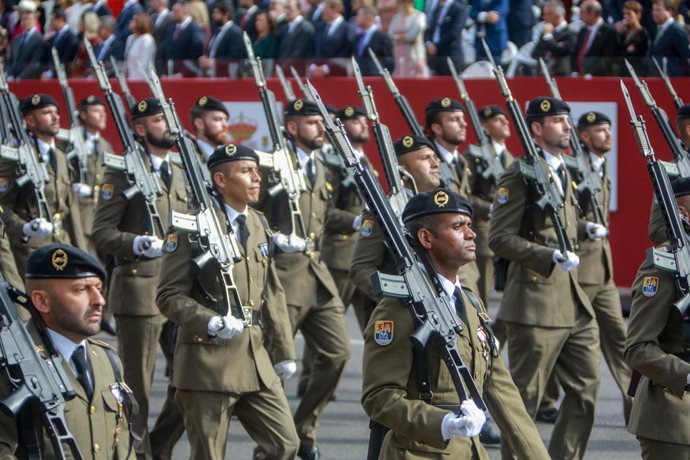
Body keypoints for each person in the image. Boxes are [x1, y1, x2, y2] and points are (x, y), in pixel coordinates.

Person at [362, 188, 550, 459]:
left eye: (469, 225)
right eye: (457, 226)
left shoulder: (471, 303)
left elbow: (500, 388)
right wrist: (443, 423)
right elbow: (379, 396)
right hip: (420, 452)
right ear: (426, 238)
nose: (471, 234)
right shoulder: (399, 308)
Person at [157, 143, 299, 460]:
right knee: (209, 454)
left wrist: (284, 351)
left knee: (285, 445)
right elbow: (167, 296)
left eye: (256, 171)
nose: (256, 178)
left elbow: (272, 293)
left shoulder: (258, 223)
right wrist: (208, 321)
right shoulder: (190, 228)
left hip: (255, 357)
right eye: (246, 171)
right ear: (220, 179)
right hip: (208, 363)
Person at [489, 96, 601, 459]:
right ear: (537, 129)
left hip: (572, 300)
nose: (567, 127)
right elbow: (499, 238)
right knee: (525, 399)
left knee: (586, 389)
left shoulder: (562, 169)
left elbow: (561, 226)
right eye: (558, 121)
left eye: (567, 120)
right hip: (534, 303)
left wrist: (585, 228)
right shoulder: (519, 174)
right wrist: (547, 255)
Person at [254, 99, 351, 460]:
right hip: (282, 276)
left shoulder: (321, 167)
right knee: (275, 364)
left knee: (337, 353)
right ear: (292, 127)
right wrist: (272, 237)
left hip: (317, 273)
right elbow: (243, 211)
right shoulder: (270, 166)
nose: (321, 129)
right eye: (312, 123)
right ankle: (273, 443)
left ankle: (304, 427)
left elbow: (323, 218)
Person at [91, 98, 188, 459]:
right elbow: (101, 232)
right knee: (138, 387)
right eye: (160, 119)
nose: (169, 125)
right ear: (140, 129)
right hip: (140, 289)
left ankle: (157, 445)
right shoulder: (122, 173)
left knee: (191, 380)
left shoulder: (180, 171)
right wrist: (136, 242)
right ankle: (137, 452)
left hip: (178, 290)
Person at [0, 244, 134, 459]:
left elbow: (123, 446)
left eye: (98, 288)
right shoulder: (11, 364)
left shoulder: (107, 360)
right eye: (81, 290)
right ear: (42, 301)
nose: (99, 300)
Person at [572, 111, 632, 421]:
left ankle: (635, 408)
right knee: (577, 349)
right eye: (599, 130)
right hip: (580, 273)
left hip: (603, 273)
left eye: (608, 129)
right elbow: (565, 216)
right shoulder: (574, 170)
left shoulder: (601, 165)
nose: (607, 135)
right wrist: (585, 228)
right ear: (583, 136)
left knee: (621, 341)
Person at [626, 176, 690, 460]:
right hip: (675, 418)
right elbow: (638, 347)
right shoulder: (664, 267)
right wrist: (685, 374)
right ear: (682, 213)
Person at [0, 94, 86, 276]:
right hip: (30, 251)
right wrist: (23, 228)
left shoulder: (61, 157)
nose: (56, 117)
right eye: (47, 113)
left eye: (56, 112)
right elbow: (2, 205)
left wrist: (82, 253)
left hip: (62, 245)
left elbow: (71, 210)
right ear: (30, 120)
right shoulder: (16, 159)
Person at [463, 104, 514, 308]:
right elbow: (465, 194)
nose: (505, 123)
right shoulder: (475, 155)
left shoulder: (511, 159)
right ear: (485, 126)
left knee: (510, 295)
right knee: (481, 293)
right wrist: (490, 208)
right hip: (484, 229)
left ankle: (497, 334)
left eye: (505, 119)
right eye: (498, 120)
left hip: (508, 231)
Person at [572, 0, 618, 76]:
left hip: (599, 78)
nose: (580, 15)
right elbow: (576, 52)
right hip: (580, 77)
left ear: (592, 13)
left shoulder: (609, 31)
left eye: (582, 12)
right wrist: (575, 71)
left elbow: (607, 58)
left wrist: (592, 73)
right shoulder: (583, 30)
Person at [532, 0, 577, 76]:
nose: (544, 18)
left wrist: (548, 37)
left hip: (562, 75)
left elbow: (561, 51)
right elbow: (535, 53)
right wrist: (554, 46)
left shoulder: (570, 33)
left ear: (557, 15)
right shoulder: (545, 31)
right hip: (543, 74)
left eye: (548, 14)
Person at [646, 0, 690, 76]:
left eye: (658, 10)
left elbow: (686, 58)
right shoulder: (658, 29)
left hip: (674, 81)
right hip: (658, 77)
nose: (654, 13)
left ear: (669, 11)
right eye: (653, 10)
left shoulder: (677, 31)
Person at [424, 0, 466, 76]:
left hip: (451, 57)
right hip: (434, 58)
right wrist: (428, 43)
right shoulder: (433, 6)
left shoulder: (459, 8)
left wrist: (436, 46)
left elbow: (454, 32)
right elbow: (429, 28)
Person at [387, 0, 428, 77]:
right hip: (398, 55)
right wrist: (403, 38)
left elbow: (413, 35)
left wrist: (399, 38)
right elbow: (390, 34)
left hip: (414, 55)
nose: (401, 5)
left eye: (403, 2)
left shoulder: (420, 16)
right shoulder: (396, 17)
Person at [6, 0, 45, 80]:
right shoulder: (17, 39)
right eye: (23, 19)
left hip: (29, 81)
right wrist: (10, 75)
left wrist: (21, 78)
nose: (25, 22)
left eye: (28, 19)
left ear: (35, 20)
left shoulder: (39, 39)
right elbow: (11, 61)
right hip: (13, 79)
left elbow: (35, 62)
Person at [189, 95, 229, 168]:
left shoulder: (229, 158)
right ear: (199, 124)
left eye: (226, 120)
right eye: (218, 119)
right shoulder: (189, 157)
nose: (225, 125)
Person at [353, 6, 394, 76]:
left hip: (376, 79)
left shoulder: (382, 37)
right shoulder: (358, 38)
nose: (356, 18)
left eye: (359, 14)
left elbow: (389, 60)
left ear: (368, 17)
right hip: (360, 78)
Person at [614, 0, 648, 75]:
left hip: (636, 73)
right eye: (624, 14)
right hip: (621, 72)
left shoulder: (643, 33)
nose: (626, 17)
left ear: (638, 14)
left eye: (629, 14)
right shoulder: (623, 33)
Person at [124, 12, 156, 80]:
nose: (130, 21)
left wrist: (133, 81)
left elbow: (144, 65)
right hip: (130, 80)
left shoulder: (147, 39)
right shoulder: (130, 38)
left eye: (134, 20)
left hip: (145, 80)